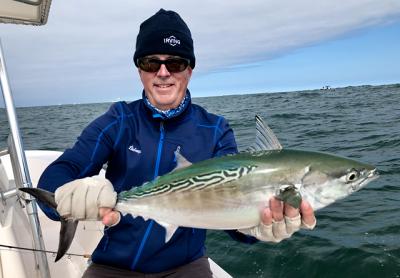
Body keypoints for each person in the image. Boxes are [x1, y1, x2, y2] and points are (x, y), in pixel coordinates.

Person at [37, 9, 316, 278]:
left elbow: (235, 202)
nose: (163, 72)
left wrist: (255, 228)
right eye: (150, 62)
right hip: (113, 266)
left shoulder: (215, 129)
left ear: (189, 70)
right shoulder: (119, 119)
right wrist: (65, 196)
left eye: (175, 63)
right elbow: (65, 167)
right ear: (140, 70)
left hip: (186, 266)